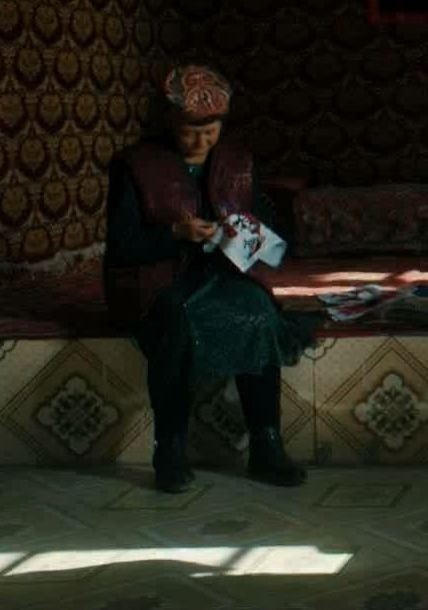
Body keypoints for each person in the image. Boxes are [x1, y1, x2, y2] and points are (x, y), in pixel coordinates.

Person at [103, 65, 313, 494]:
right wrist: (175, 233)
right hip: (155, 280)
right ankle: (170, 448)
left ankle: (266, 445)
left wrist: (239, 235)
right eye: (190, 132)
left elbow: (273, 246)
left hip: (219, 275)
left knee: (258, 312)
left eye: (210, 132)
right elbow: (123, 246)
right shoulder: (135, 166)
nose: (201, 142)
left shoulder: (237, 163)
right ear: (169, 122)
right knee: (178, 322)